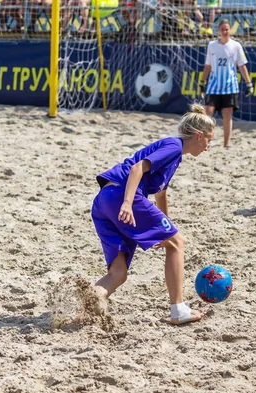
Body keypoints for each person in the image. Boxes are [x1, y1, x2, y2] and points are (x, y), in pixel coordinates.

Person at [91, 104, 214, 325]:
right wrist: (128, 203)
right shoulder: (174, 146)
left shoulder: (174, 155)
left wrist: (164, 229)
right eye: (208, 141)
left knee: (118, 273)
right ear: (198, 135)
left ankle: (86, 302)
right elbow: (137, 168)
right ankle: (178, 310)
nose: (207, 147)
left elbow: (160, 194)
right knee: (178, 243)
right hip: (121, 195)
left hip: (104, 200)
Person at [199, 19, 254, 148]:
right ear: (218, 30)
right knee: (207, 112)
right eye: (222, 29)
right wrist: (202, 82)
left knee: (227, 114)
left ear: (230, 30)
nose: (225, 32)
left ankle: (226, 143)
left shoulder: (236, 46)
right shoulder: (212, 45)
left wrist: (249, 83)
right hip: (214, 84)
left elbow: (242, 66)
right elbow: (207, 65)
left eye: (227, 29)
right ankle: (204, 141)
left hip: (230, 85)